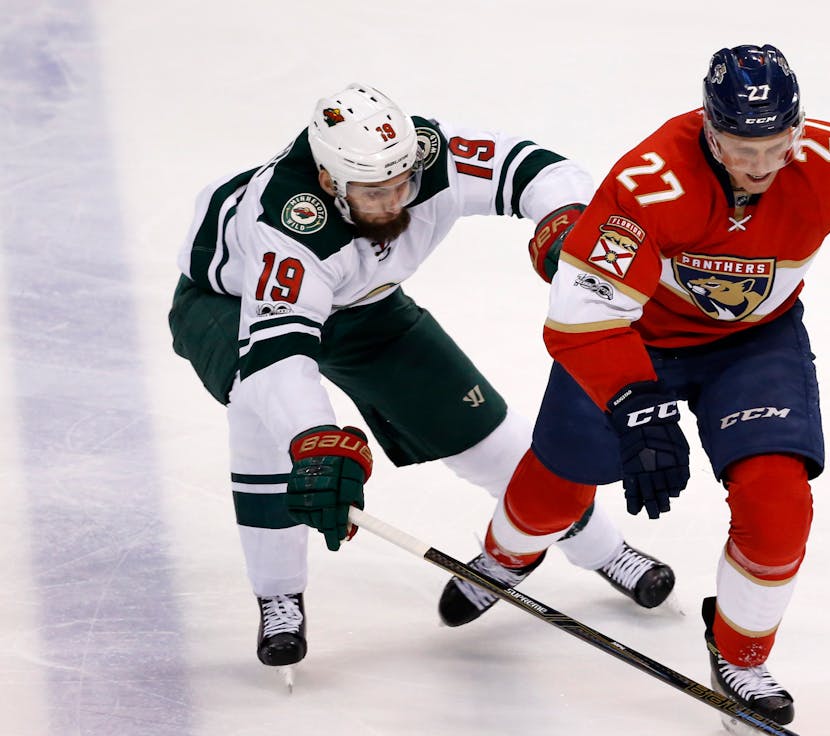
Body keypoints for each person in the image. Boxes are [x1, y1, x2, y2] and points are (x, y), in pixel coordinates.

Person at [471, 45, 830, 736]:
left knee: (778, 505)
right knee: (561, 481)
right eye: (744, 149)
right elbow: (582, 315)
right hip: (634, 340)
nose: (764, 166)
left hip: (754, 345)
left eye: (778, 145)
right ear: (711, 131)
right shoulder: (648, 180)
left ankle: (739, 655)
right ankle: (505, 556)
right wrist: (633, 403)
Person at [168, 82, 675, 670]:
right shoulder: (287, 225)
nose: (396, 202)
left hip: (364, 302)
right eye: (375, 192)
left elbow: (533, 166)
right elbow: (276, 356)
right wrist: (315, 439)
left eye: (403, 184)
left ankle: (603, 549)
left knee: (486, 434)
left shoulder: (428, 159)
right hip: (229, 309)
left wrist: (565, 219)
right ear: (331, 183)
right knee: (269, 424)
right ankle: (279, 593)